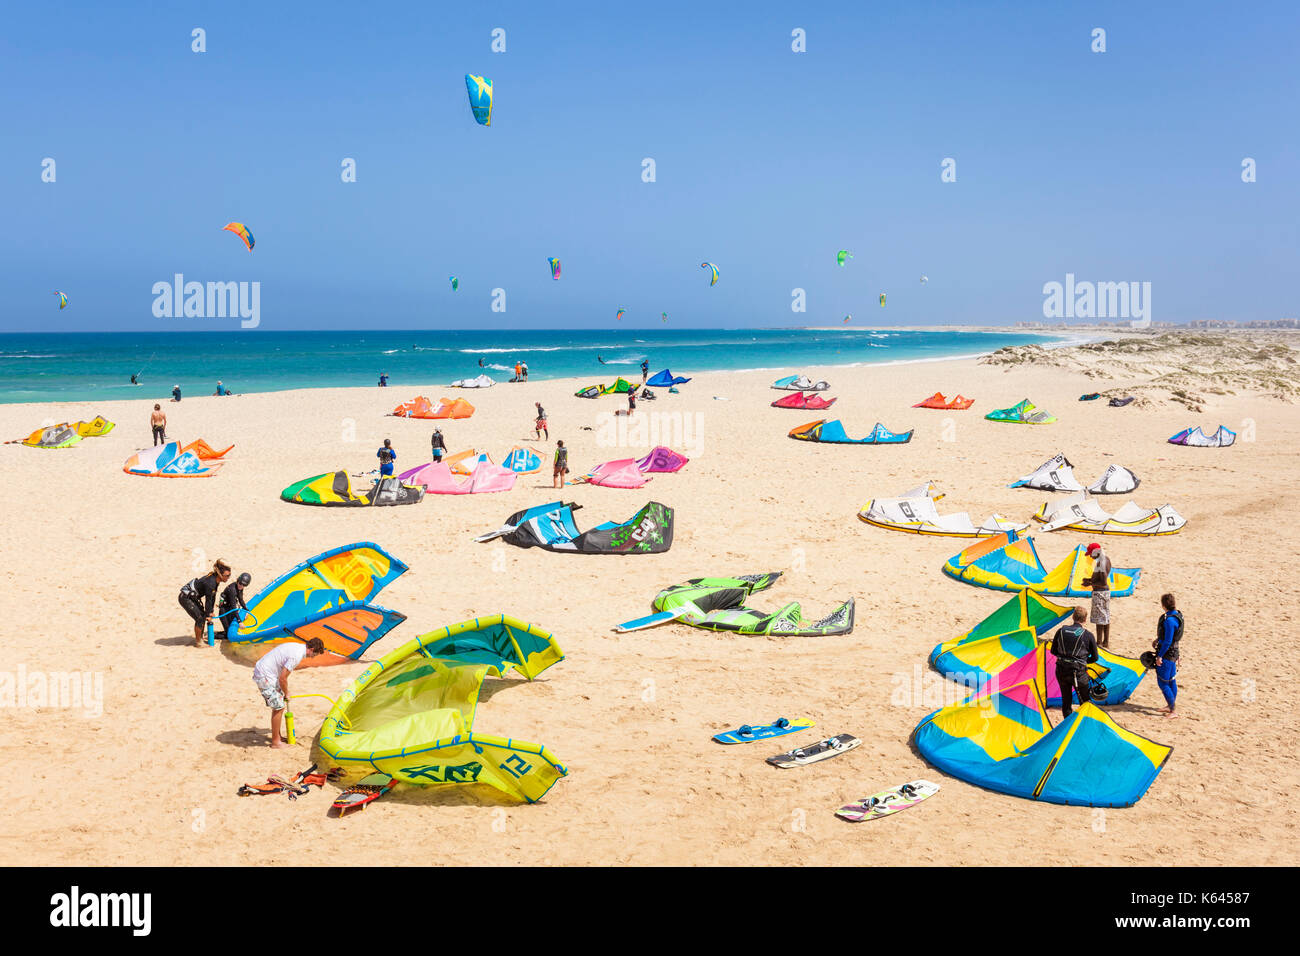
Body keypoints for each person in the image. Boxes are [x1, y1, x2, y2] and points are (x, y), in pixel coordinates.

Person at [252, 637, 326, 749]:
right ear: (311, 649)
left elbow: (284, 676)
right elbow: (282, 678)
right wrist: (287, 692)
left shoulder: (297, 647)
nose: (313, 657)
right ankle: (275, 742)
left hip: (269, 673)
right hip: (264, 675)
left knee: (279, 703)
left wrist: (284, 691)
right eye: (314, 654)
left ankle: (278, 736)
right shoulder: (296, 655)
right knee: (279, 707)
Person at [1049, 607, 1098, 719]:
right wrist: (1083, 661)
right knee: (1085, 701)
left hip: (1061, 671)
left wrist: (1066, 658)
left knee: (1066, 701)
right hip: (1078, 673)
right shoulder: (1088, 635)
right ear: (1085, 619)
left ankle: (1068, 726)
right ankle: (1083, 724)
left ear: (1073, 617)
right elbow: (1095, 657)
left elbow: (1053, 651)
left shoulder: (1061, 631)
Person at [179, 560, 232, 647]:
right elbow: (208, 600)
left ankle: (200, 638)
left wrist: (210, 612)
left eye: (229, 575)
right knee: (200, 618)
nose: (228, 577)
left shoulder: (216, 580)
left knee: (203, 616)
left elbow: (212, 597)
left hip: (193, 597)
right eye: (227, 576)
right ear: (220, 575)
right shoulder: (211, 583)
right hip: (185, 598)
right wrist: (208, 614)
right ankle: (199, 642)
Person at [1154, 593, 1183, 718]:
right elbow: (1173, 638)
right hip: (1174, 653)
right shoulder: (1178, 615)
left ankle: (1173, 710)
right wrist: (1157, 640)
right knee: (1171, 680)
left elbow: (1168, 641)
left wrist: (1159, 656)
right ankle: (1169, 705)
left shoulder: (1169, 621)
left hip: (1167, 654)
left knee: (1163, 683)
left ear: (1163, 605)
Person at [1085, 542, 1113, 648]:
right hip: (1105, 593)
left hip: (1100, 593)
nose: (1091, 557)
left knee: (1099, 620)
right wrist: (1089, 580)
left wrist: (1090, 583)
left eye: (1091, 554)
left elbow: (1103, 581)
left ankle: (1099, 643)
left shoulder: (1101, 562)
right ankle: (1106, 642)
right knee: (1105, 617)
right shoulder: (1106, 559)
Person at [218, 572, 251, 641]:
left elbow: (241, 600)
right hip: (224, 611)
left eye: (243, 585)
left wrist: (247, 610)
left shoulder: (240, 588)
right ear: (237, 581)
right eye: (240, 583)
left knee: (231, 629)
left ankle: (221, 632)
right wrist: (240, 622)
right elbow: (234, 608)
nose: (241, 586)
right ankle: (211, 636)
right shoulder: (232, 590)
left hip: (229, 609)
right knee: (228, 635)